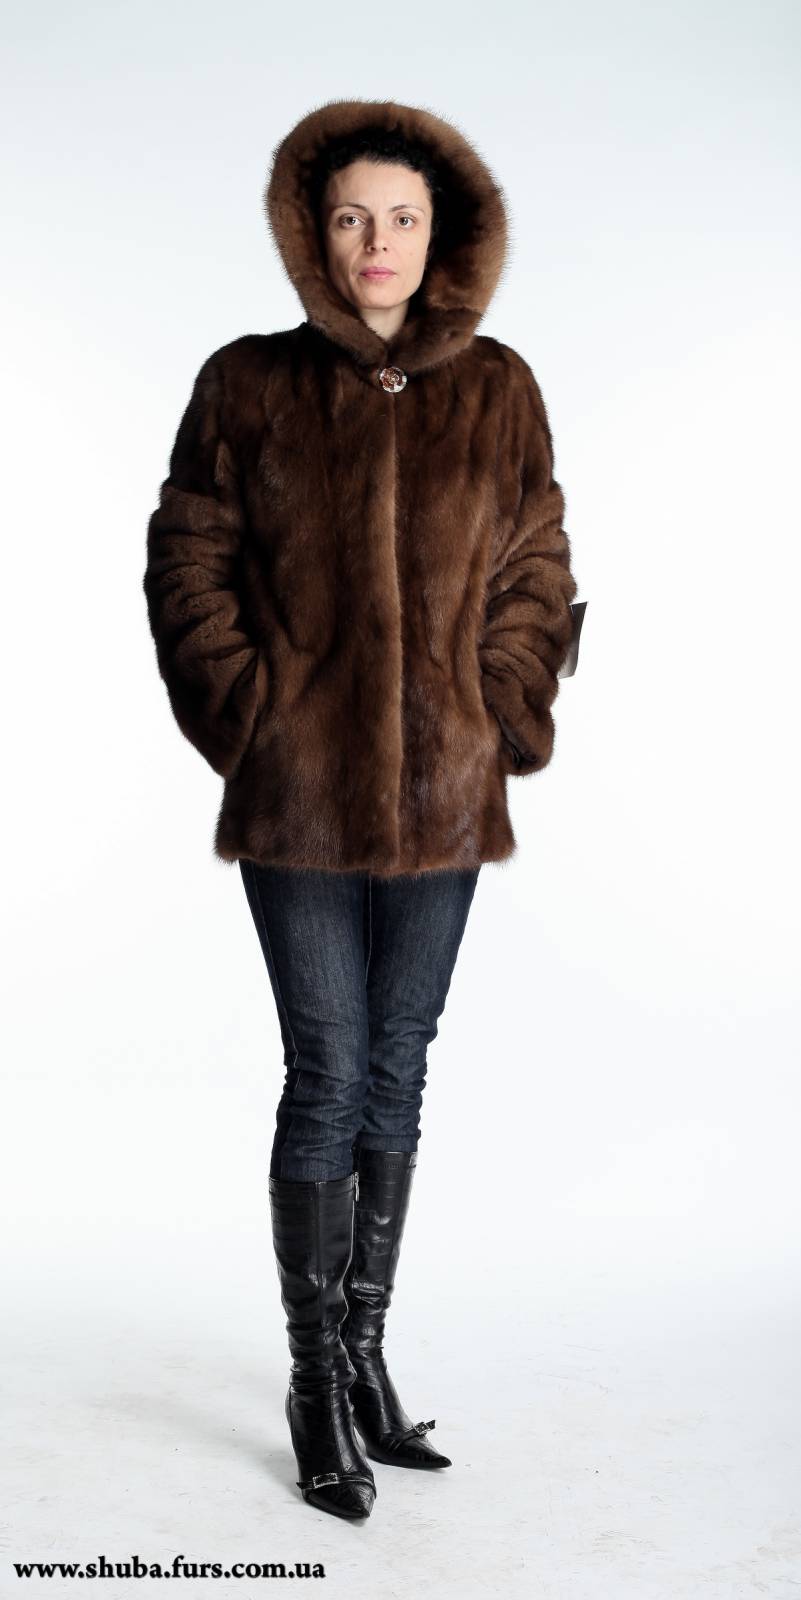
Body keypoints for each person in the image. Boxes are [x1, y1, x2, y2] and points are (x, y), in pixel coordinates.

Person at [143, 99, 579, 1522]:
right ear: (312, 235)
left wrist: (498, 702)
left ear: (443, 235)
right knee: (327, 1069)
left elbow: (536, 557)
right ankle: (312, 1382)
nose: (376, 242)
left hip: (446, 796)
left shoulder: (500, 387)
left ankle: (367, 1354)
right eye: (348, 218)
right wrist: (252, 713)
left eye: (400, 217)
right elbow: (188, 559)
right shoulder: (247, 382)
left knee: (400, 1063)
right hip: (301, 803)